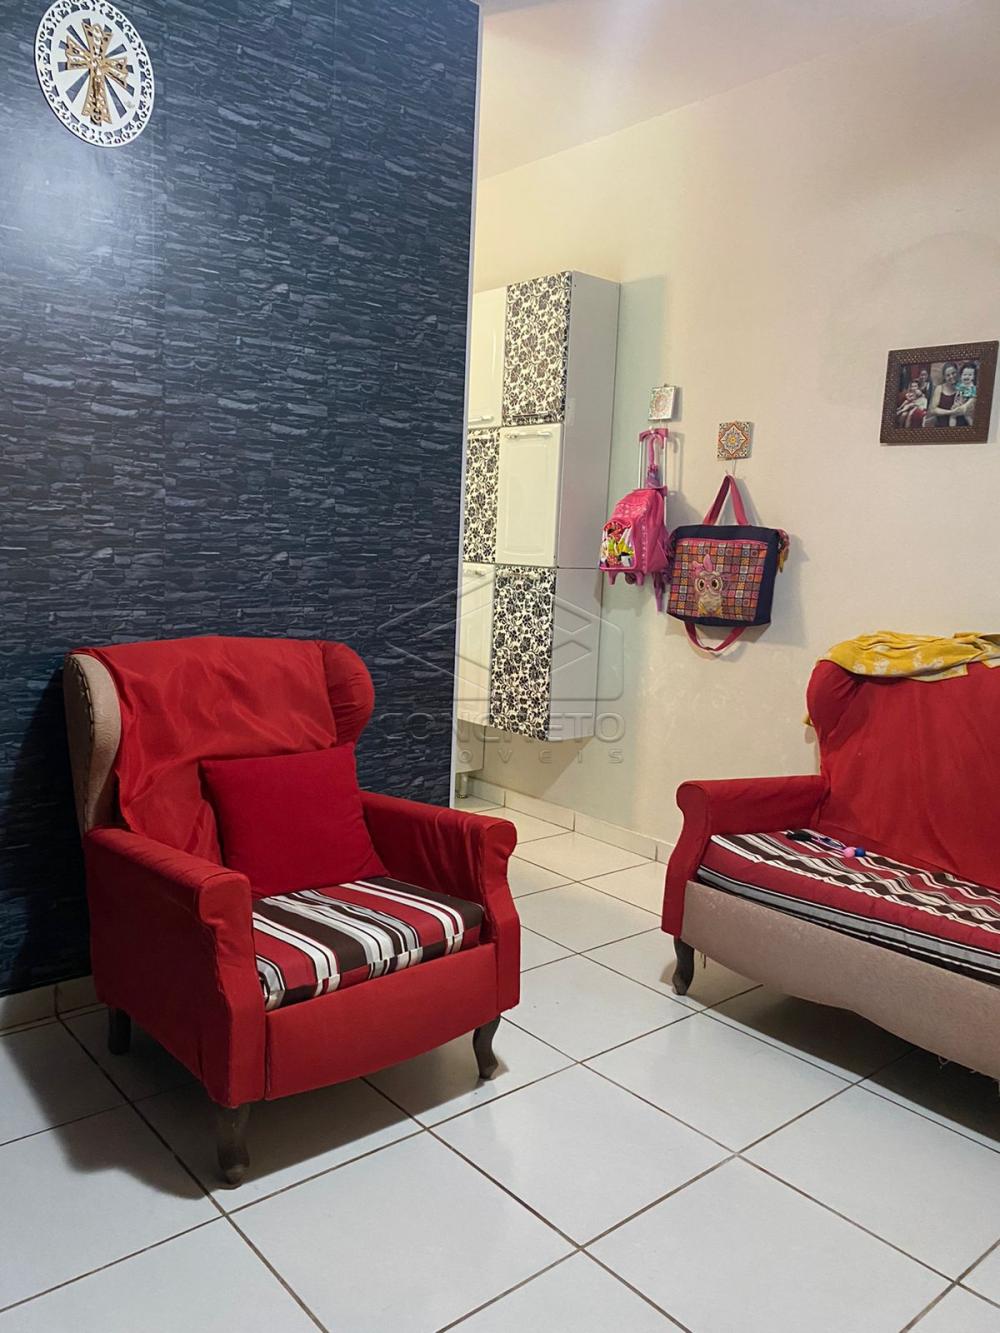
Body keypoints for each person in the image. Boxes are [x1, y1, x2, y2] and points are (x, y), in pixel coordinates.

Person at [924, 362, 960, 427]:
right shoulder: (940, 388)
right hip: (942, 425)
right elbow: (933, 410)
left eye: (953, 373)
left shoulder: (963, 388)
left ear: (957, 372)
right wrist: (951, 412)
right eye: (948, 375)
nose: (951, 376)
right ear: (944, 377)